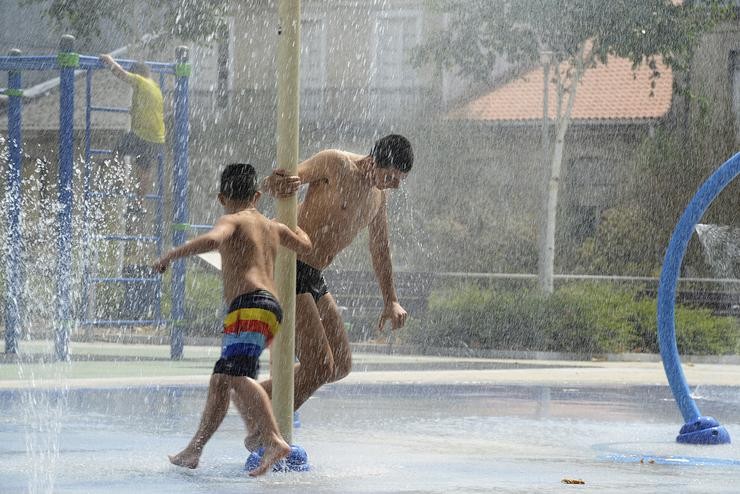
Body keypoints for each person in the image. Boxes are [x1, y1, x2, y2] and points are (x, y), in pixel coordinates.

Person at [240, 134, 414, 450]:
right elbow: (283, 179)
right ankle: (264, 432)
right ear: (375, 161)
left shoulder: (378, 197)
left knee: (340, 365)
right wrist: (272, 184)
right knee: (319, 366)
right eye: (392, 177)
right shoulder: (336, 163)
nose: (395, 185)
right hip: (286, 262)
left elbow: (380, 248)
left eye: (400, 180)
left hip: (313, 273)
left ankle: (257, 395)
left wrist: (390, 299)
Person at [152, 163, 312, 476]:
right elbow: (305, 246)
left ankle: (273, 438)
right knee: (221, 379)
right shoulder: (272, 226)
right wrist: (297, 219)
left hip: (248, 307)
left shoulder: (232, 220)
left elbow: (213, 240)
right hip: (267, 308)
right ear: (257, 194)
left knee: (236, 378)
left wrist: (172, 255)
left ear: (222, 197)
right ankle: (194, 449)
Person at [99, 53, 165, 223]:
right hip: (157, 137)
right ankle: (139, 202)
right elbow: (148, 109)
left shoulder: (140, 82)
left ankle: (119, 180)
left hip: (141, 135)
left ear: (139, 73)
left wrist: (110, 60)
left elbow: (120, 73)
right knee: (145, 170)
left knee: (116, 152)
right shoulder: (156, 88)